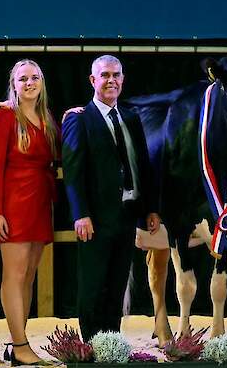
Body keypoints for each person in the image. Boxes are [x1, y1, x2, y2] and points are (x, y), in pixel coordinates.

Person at [62, 55, 161, 340]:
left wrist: (151, 208)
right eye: (104, 75)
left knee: (118, 283)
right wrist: (81, 213)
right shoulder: (78, 119)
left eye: (116, 75)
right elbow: (73, 172)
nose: (111, 80)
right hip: (95, 216)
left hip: (128, 213)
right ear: (93, 80)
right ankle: (92, 344)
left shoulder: (130, 117)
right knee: (94, 283)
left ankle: (110, 341)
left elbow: (142, 165)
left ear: (123, 79)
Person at [0, 60, 59, 365]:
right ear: (13, 85)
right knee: (14, 276)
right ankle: (20, 344)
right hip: (14, 203)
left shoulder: (46, 117)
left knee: (28, 276)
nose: (29, 83)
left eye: (35, 77)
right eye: (22, 79)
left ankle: (16, 343)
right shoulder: (4, 116)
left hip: (40, 203)